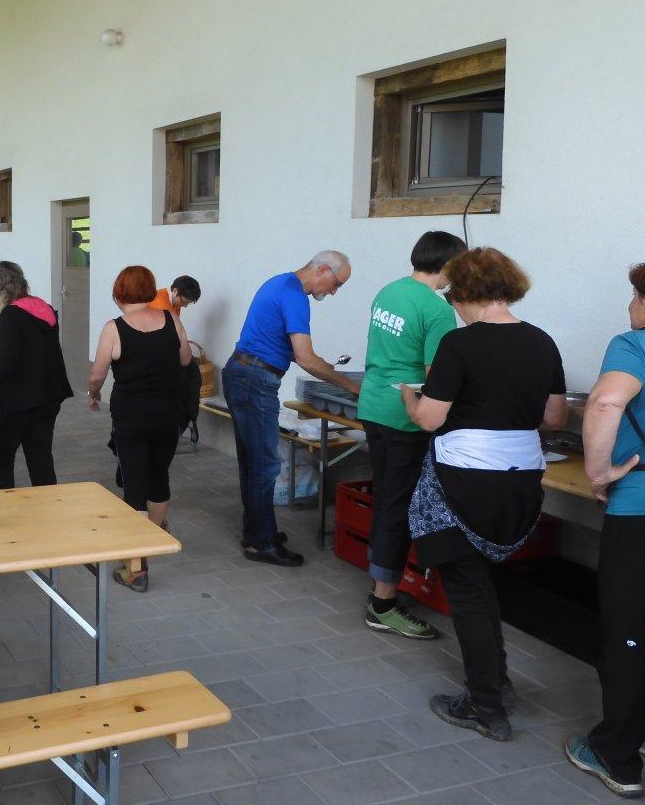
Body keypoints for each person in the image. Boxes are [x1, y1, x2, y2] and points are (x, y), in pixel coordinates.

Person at [402, 247, 566, 743]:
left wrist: (409, 397)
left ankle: (486, 706)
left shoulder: (460, 344)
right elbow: (555, 418)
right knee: (480, 585)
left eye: (453, 294)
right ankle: (497, 681)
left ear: (467, 292)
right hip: (520, 482)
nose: (452, 303)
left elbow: (430, 419)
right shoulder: (541, 341)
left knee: (468, 592)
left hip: (465, 481)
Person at [357, 231, 466, 640]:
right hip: (405, 415)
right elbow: (439, 375)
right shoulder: (437, 310)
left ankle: (380, 579)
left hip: (373, 405)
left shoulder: (389, 291)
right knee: (398, 506)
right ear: (450, 265)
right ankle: (383, 603)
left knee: (387, 496)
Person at [223, 250, 360, 568]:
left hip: (241, 372)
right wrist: (349, 385)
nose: (334, 292)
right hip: (255, 379)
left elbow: (298, 354)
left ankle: (258, 531)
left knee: (252, 462)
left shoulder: (279, 282)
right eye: (336, 283)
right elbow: (305, 357)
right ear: (322, 269)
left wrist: (326, 367)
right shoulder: (296, 296)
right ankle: (260, 543)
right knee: (265, 465)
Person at [565, 263, 645, 798]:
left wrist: (598, 472)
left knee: (629, 632)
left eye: (634, 296)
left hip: (638, 509)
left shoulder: (633, 344)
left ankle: (616, 754)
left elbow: (606, 400)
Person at [88, 266, 190, 592]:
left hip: (131, 415)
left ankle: (136, 567)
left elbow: (97, 374)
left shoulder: (114, 328)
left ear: (119, 292)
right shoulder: (171, 320)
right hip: (167, 412)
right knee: (158, 476)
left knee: (134, 484)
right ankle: (152, 539)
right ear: (150, 290)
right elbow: (185, 359)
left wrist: (93, 394)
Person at [0, 261, 72, 489]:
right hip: (48, 396)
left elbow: (8, 363)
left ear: (0, 290)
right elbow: (30, 346)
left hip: (18, 400)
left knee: (3, 460)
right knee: (41, 459)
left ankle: (6, 505)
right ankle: (50, 505)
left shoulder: (10, 314)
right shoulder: (43, 307)